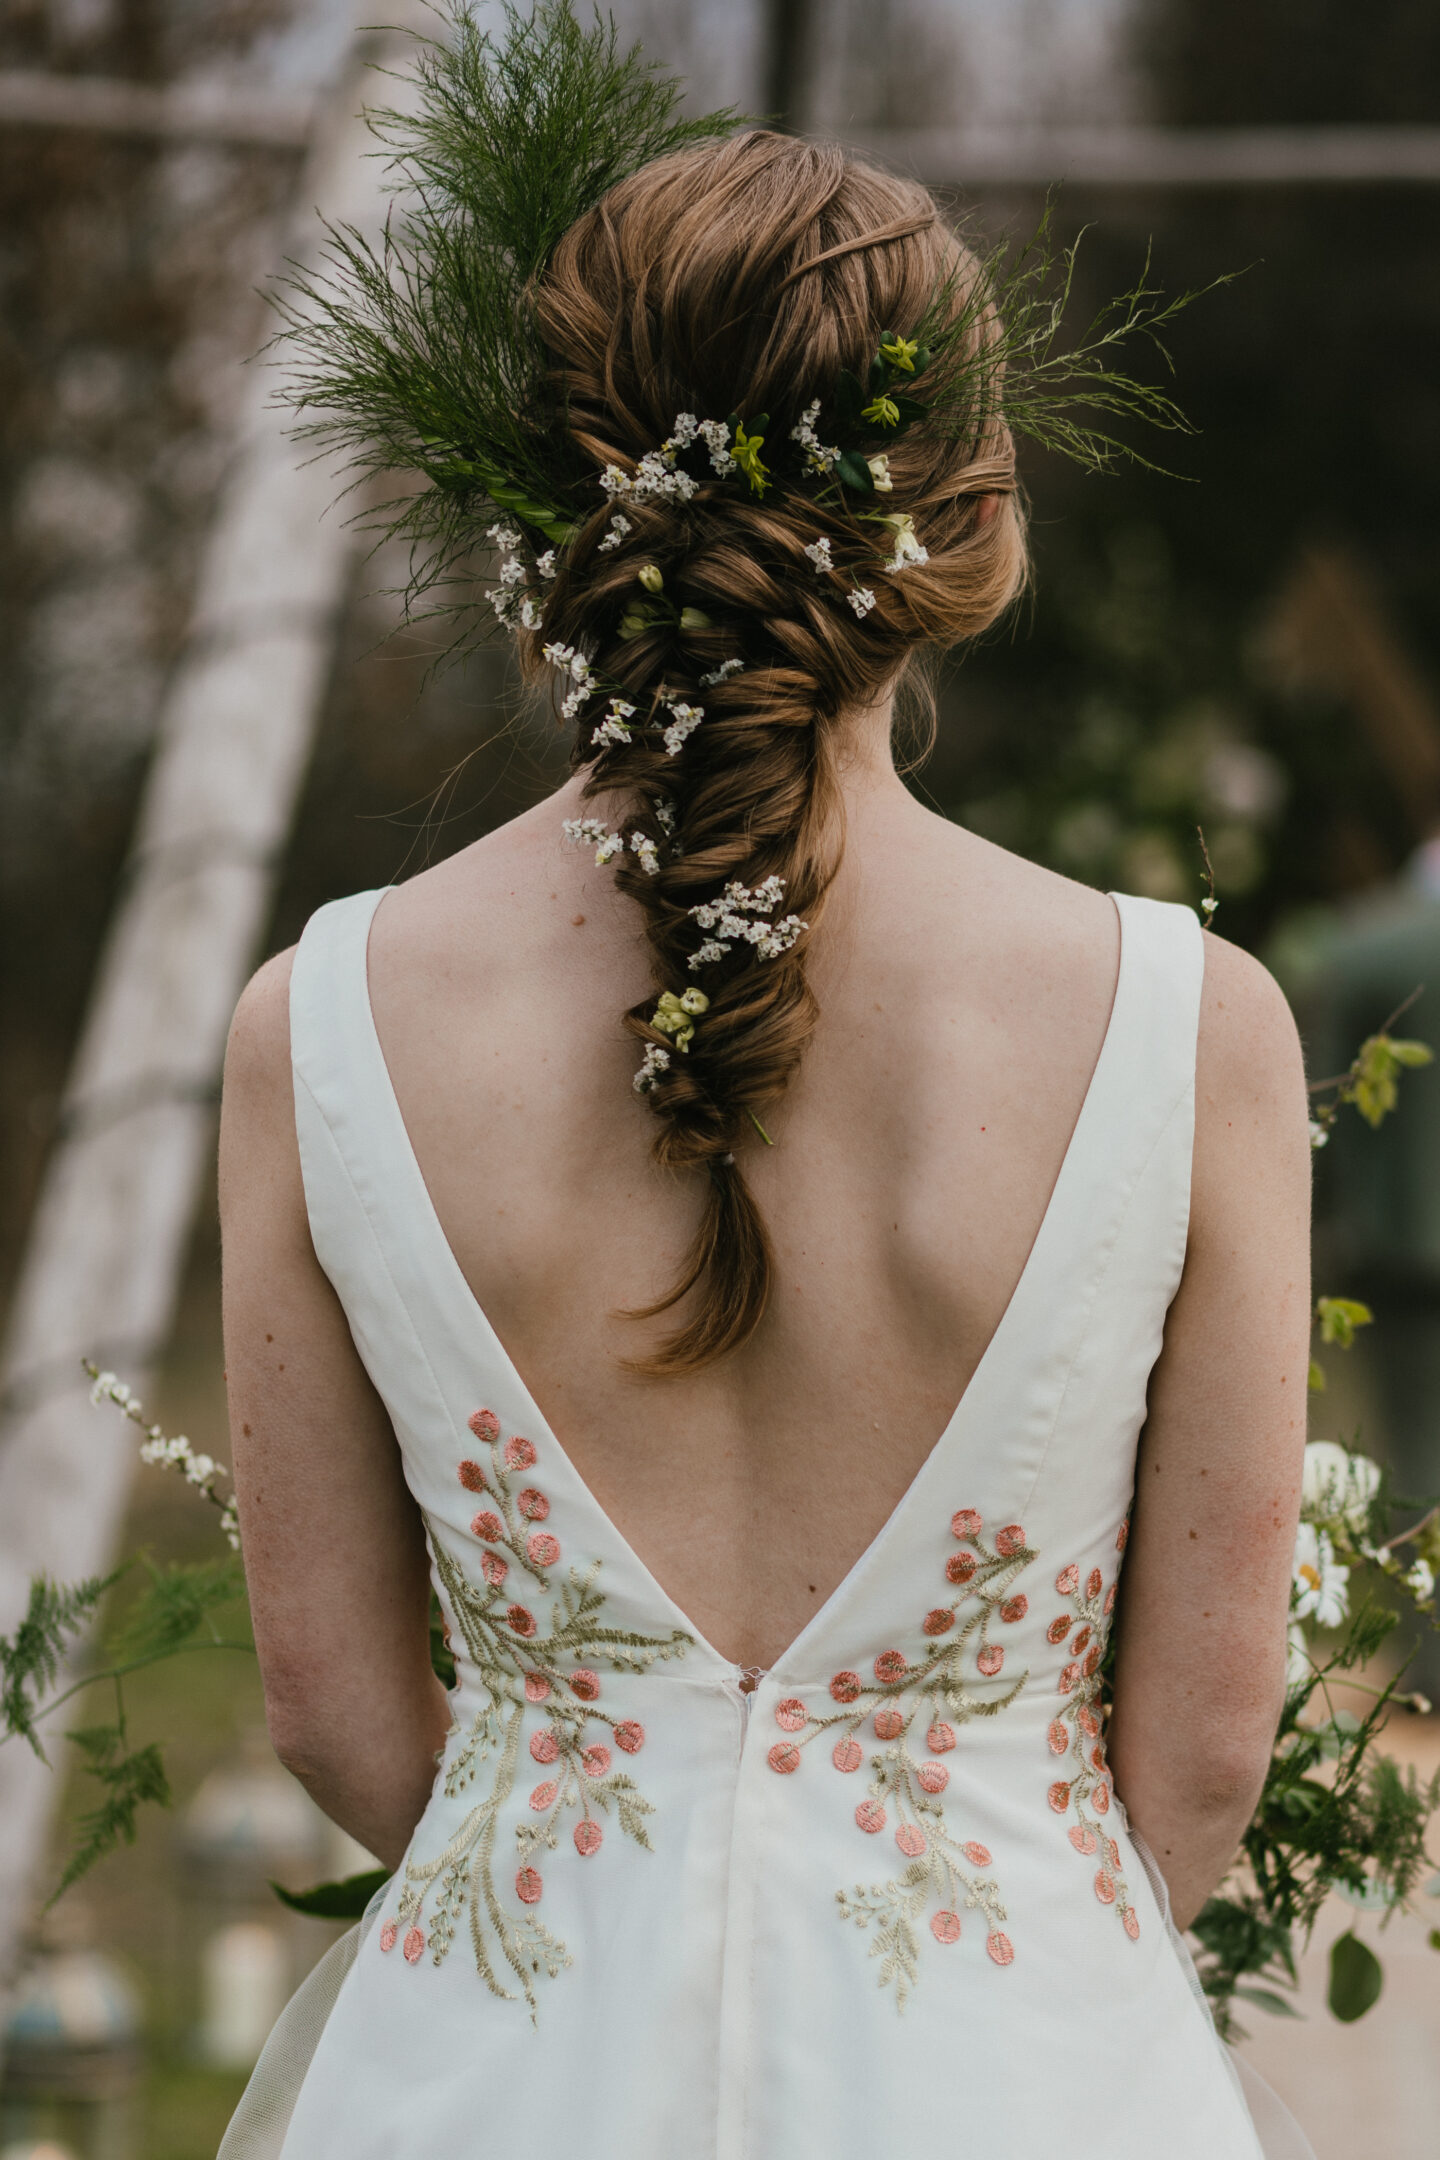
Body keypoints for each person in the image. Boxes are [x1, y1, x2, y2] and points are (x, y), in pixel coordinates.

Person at [215, 16, 1313, 2156]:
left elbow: (335, 1710)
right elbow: (1198, 1751)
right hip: (1019, 2063)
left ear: (555, 505)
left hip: (497, 2072)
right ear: (972, 515)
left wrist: (591, 1898)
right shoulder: (1194, 1029)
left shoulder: (319, 1024)